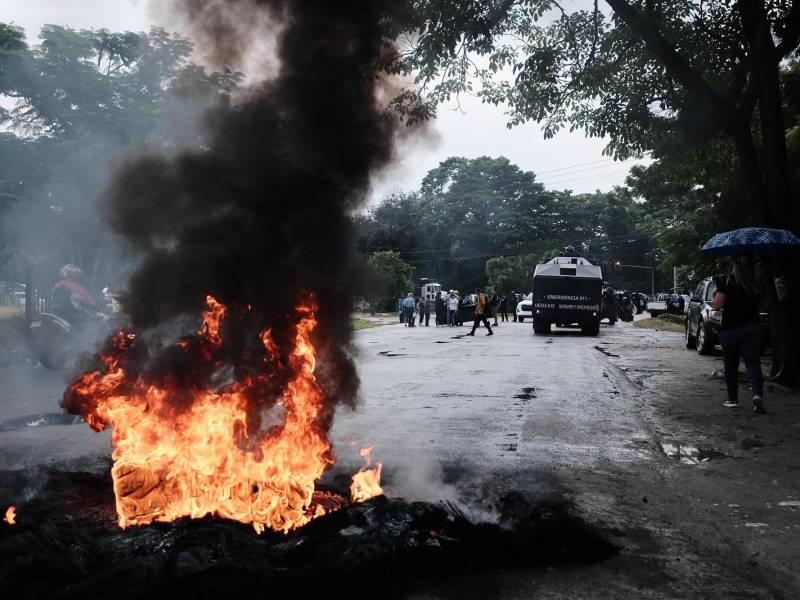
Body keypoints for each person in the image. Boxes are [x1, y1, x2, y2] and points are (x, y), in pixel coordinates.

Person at [712, 257, 765, 413]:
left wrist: (716, 292)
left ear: (734, 265)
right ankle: (757, 395)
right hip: (752, 328)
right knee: (753, 363)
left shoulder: (727, 282)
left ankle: (732, 399)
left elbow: (716, 305)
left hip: (730, 330)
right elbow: (764, 303)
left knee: (730, 365)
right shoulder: (755, 282)